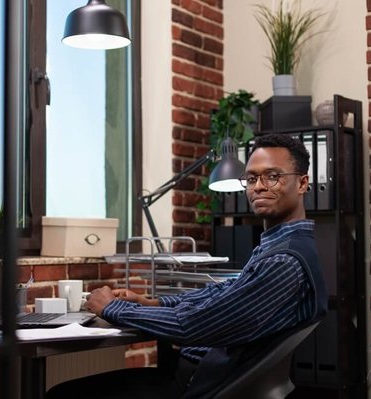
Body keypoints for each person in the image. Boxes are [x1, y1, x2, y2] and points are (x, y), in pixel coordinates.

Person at [46, 133, 328, 399]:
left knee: (62, 394)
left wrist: (111, 308)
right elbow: (220, 296)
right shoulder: (281, 247)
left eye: (273, 177)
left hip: (197, 385)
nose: (259, 186)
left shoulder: (283, 261)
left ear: (302, 183)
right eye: (251, 178)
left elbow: (194, 325)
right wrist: (152, 302)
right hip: (206, 376)